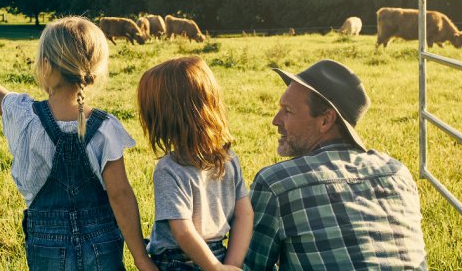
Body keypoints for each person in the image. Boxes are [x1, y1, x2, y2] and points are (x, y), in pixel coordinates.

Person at [0, 17, 155, 270]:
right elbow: (120, 195)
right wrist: (140, 256)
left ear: (45, 66)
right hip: (101, 245)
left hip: (46, 246)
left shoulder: (25, 117)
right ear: (93, 70)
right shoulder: (105, 128)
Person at [244, 59, 426, 270]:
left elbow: (249, 266)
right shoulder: (397, 174)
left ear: (325, 120)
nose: (276, 120)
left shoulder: (277, 183)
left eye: (288, 111)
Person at [138, 56, 252, 271]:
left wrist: (216, 269)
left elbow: (183, 232)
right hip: (219, 254)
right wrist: (230, 265)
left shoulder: (169, 169)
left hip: (178, 261)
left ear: (163, 118)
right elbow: (245, 215)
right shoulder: (228, 158)